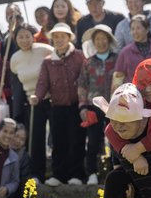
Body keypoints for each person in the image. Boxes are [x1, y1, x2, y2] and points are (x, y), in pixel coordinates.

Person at [30, 23, 85, 186]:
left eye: (63, 36)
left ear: (69, 38)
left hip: (77, 106)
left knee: (77, 141)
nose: (60, 40)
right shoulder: (48, 62)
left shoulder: (80, 55)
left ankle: (76, 175)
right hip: (57, 107)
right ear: (52, 39)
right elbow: (42, 83)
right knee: (58, 142)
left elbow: (86, 78)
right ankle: (58, 175)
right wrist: (37, 97)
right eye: (56, 37)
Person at [10, 25, 53, 183]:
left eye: (27, 36)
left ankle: (58, 174)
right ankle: (36, 174)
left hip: (51, 98)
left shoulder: (45, 49)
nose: (24, 40)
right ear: (15, 39)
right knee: (36, 139)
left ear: (33, 36)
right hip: (32, 102)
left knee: (55, 135)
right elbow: (17, 86)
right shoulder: (14, 59)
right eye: (20, 37)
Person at [78, 25, 119, 185]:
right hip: (94, 106)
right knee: (93, 140)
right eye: (98, 39)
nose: (101, 42)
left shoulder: (118, 58)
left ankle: (115, 173)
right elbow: (82, 85)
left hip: (115, 106)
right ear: (94, 42)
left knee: (115, 140)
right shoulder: (88, 62)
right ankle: (92, 174)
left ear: (109, 41)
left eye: (104, 38)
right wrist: (82, 106)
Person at [113, 15, 151, 89]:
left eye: (138, 28)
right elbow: (118, 79)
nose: (135, 32)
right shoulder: (125, 52)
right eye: (132, 29)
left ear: (147, 29)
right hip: (133, 97)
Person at [5, 124, 33, 198]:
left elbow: (25, 185)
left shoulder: (24, 158)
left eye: (22, 139)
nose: (17, 141)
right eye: (16, 136)